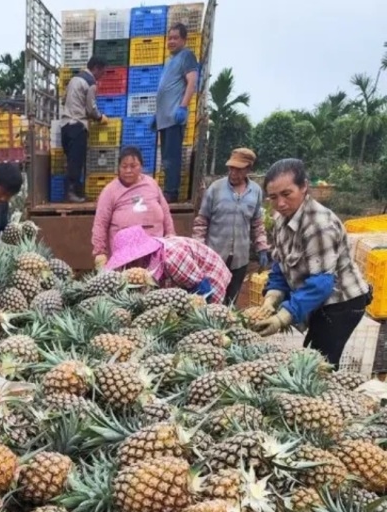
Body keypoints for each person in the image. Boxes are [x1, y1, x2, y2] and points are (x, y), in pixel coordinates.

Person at [248, 158, 372, 367]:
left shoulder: (319, 225)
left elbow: (321, 284)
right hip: (318, 299)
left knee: (318, 363)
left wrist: (282, 318)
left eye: (287, 194)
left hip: (341, 302)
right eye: (273, 197)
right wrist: (272, 297)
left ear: (304, 186)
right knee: (311, 354)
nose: (280, 203)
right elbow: (280, 264)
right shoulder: (281, 220)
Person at [193, 147, 270, 306]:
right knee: (210, 300)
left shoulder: (255, 191)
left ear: (248, 168)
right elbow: (202, 220)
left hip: (240, 259)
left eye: (239, 169)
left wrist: (262, 246)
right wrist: (198, 248)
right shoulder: (215, 188)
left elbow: (257, 223)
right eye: (231, 168)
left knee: (231, 301)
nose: (233, 172)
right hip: (215, 257)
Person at [92, 146, 175, 270]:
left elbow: (166, 213)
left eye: (133, 166)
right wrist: (99, 251)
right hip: (125, 255)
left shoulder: (151, 184)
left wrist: (171, 234)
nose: (128, 170)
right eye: (124, 166)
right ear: (119, 168)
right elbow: (100, 223)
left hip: (155, 250)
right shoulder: (110, 191)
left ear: (141, 166)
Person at [105, 224, 231, 302]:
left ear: (142, 254)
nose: (128, 266)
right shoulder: (142, 262)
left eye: (131, 260)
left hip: (210, 273)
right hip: (187, 275)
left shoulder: (172, 258)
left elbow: (203, 287)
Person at [154, 23, 199, 203]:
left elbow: (192, 81)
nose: (171, 41)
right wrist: (157, 115)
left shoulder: (186, 56)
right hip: (164, 119)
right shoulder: (169, 61)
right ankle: (168, 190)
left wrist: (183, 106)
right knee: (166, 159)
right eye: (169, 38)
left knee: (172, 158)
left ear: (184, 40)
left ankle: (171, 193)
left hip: (174, 118)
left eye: (175, 38)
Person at [61, 56, 108, 203]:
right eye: (102, 72)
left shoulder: (74, 80)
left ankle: (77, 193)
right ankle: (71, 195)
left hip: (65, 126)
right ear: (96, 68)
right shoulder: (90, 82)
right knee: (76, 162)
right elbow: (91, 108)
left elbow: (64, 100)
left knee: (70, 161)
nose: (103, 76)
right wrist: (100, 118)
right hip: (78, 126)